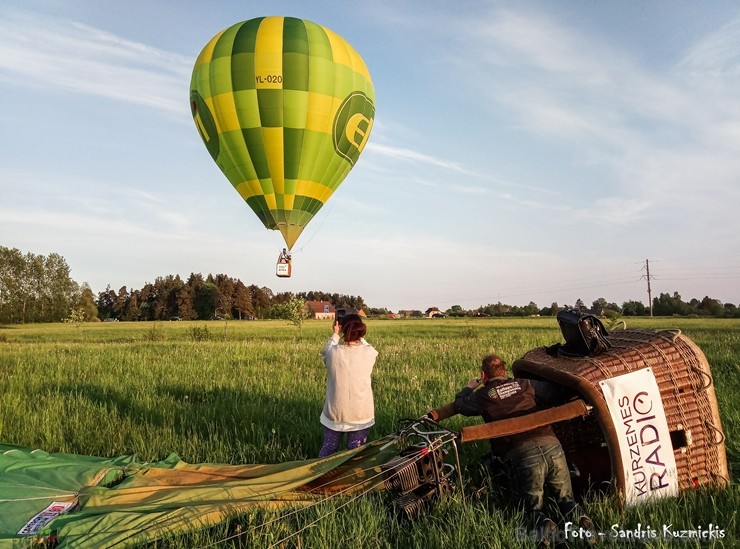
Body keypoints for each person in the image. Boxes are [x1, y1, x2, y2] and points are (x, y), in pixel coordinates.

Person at [453, 354, 596, 546]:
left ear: (483, 375)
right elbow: (555, 391)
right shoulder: (525, 384)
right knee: (566, 498)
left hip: (522, 454)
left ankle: (545, 524)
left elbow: (460, 405)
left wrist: (469, 387)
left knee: (533, 508)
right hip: (552, 445)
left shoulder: (482, 396)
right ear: (505, 372)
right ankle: (582, 521)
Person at [318, 314, 378, 458]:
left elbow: (327, 348)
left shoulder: (333, 353)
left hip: (336, 412)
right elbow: (366, 345)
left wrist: (335, 333)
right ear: (361, 330)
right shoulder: (370, 352)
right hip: (361, 412)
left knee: (329, 448)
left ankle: (319, 476)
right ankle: (353, 477)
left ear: (342, 328)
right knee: (356, 453)